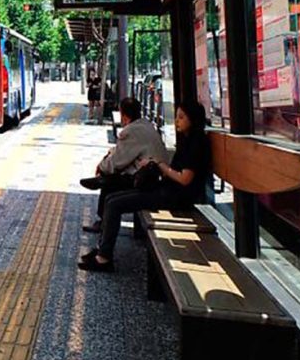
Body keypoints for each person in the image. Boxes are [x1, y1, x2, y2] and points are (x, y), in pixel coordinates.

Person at [78, 100, 212, 272]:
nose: (177, 121)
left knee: (114, 203)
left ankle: (104, 258)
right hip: (168, 191)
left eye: (181, 117)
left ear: (193, 120)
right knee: (111, 198)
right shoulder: (190, 140)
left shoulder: (196, 144)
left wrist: (158, 164)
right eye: (177, 117)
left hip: (175, 197)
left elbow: (185, 179)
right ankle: (102, 251)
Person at [81, 97, 167, 233]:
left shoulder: (131, 131)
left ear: (124, 115)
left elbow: (118, 161)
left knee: (110, 182)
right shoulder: (146, 124)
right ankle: (100, 182)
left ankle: (104, 222)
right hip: (153, 175)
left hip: (146, 180)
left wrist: (102, 166)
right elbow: (126, 154)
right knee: (111, 176)